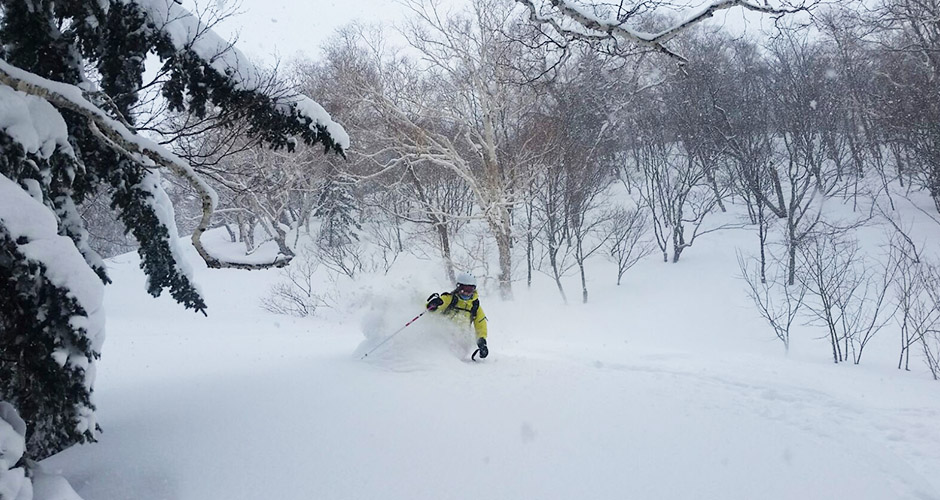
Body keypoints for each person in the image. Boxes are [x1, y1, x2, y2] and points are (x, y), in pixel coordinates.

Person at [426, 271, 489, 359]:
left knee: (458, 351)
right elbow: (437, 305)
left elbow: (480, 323)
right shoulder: (450, 299)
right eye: (464, 289)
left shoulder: (474, 305)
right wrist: (434, 304)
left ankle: (454, 363)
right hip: (444, 335)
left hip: (461, 340)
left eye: (470, 290)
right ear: (458, 288)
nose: (466, 293)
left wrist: (482, 341)